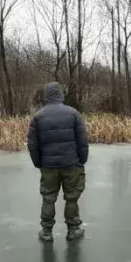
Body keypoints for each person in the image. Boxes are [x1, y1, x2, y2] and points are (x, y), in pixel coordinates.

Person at [26, 82, 89, 242]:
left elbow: (33, 144)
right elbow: (82, 141)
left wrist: (38, 163)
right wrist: (82, 160)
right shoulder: (73, 113)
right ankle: (73, 229)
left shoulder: (38, 117)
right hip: (71, 164)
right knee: (72, 197)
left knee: (48, 198)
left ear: (46, 95)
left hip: (49, 166)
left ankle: (46, 232)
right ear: (61, 94)